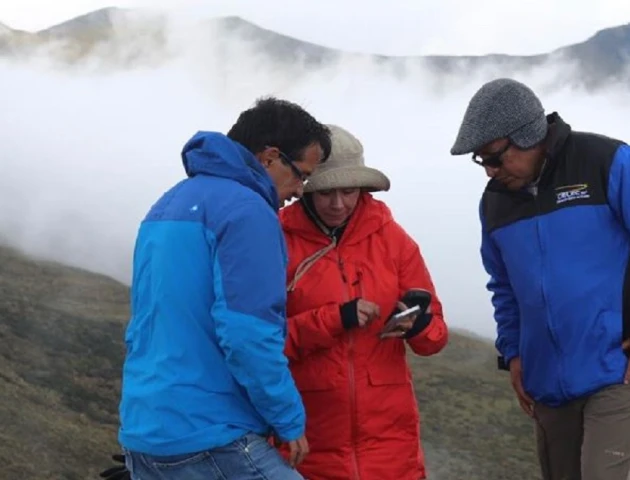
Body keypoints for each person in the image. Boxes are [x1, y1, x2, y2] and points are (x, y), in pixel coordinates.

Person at [449, 78, 630, 480]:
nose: (490, 172)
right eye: (481, 162)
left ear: (528, 135)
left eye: (494, 157)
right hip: (545, 379)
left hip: (618, 367)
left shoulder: (609, 162)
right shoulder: (495, 202)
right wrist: (513, 354)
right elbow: (504, 287)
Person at [113, 97, 331, 480]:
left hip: (144, 428)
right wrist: (289, 419)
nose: (300, 190)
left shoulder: (167, 204)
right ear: (269, 158)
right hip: (209, 432)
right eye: (301, 174)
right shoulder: (249, 212)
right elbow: (247, 334)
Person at [277, 124, 449, 480]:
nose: (338, 204)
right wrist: (334, 319)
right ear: (305, 187)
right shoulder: (276, 239)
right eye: (325, 192)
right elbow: (261, 341)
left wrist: (420, 325)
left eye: (349, 191)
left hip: (391, 450)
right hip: (308, 447)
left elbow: (435, 338)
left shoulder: (393, 240)